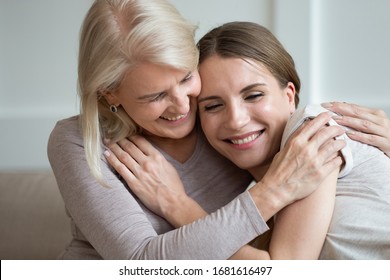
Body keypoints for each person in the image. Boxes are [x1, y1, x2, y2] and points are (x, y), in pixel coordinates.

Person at [47, 0, 345, 259]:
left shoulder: (222, 124)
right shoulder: (78, 141)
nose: (183, 106)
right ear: (109, 93)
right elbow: (138, 262)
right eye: (155, 96)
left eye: (187, 77)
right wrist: (271, 193)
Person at [106, 22, 390, 259]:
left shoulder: (312, 128)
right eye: (213, 106)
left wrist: (176, 204)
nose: (236, 120)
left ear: (289, 96)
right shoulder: (272, 204)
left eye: (254, 95)